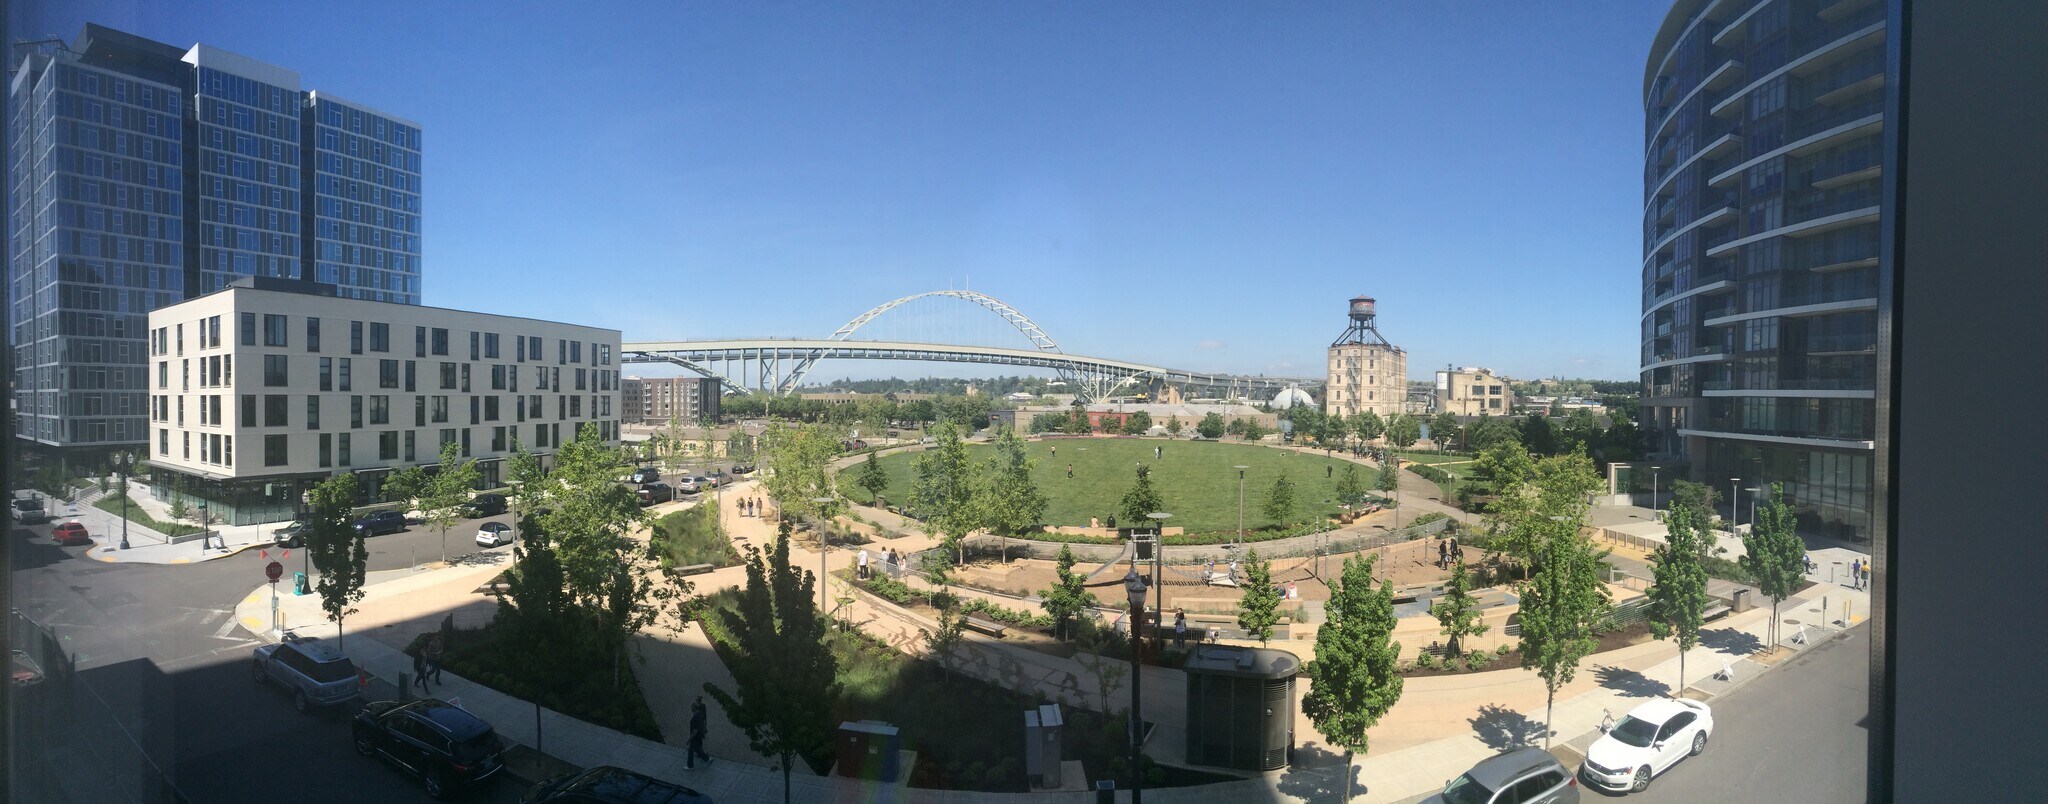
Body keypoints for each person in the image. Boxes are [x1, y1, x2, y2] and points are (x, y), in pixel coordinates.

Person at [687, 696, 714, 769]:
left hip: (696, 736)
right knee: (697, 748)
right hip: (699, 733)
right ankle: (705, 757)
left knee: (691, 750)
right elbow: (703, 720)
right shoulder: (700, 711)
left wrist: (689, 739)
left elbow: (695, 730)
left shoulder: (695, 717)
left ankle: (691, 766)